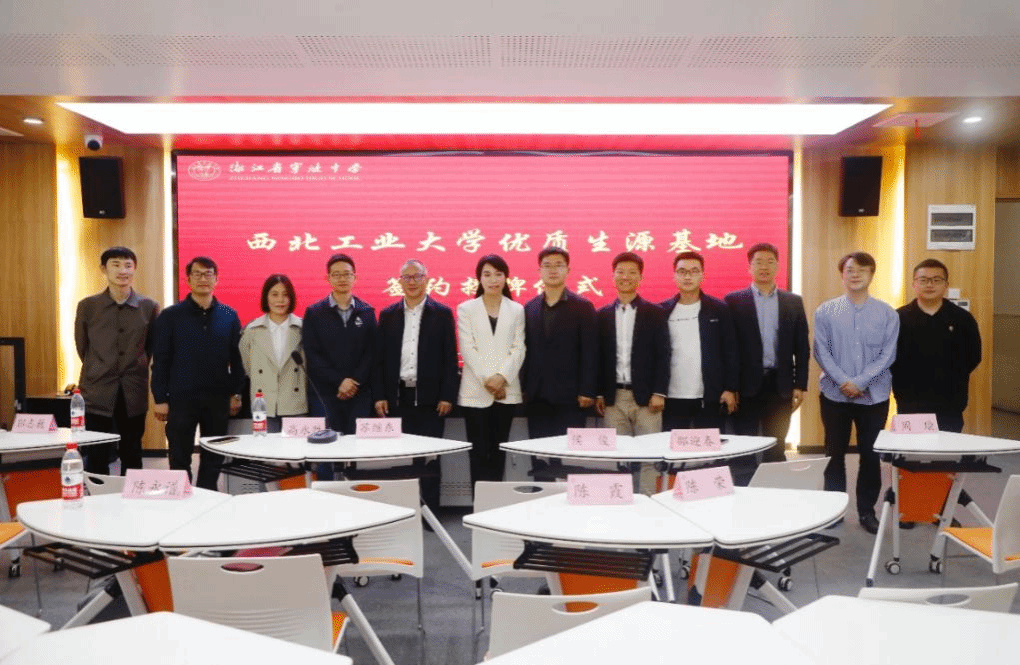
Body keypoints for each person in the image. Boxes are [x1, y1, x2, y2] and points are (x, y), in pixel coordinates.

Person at [814, 251, 898, 534]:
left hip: (874, 397)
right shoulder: (826, 311)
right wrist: (844, 381)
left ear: (872, 274)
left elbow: (888, 354)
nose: (855, 274)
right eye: (850, 269)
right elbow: (821, 351)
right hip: (834, 395)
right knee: (833, 454)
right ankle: (833, 510)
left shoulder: (887, 313)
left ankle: (866, 511)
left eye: (862, 269)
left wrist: (860, 382)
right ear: (842, 274)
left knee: (870, 456)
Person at [151, 256, 243, 490]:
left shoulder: (229, 315)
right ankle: (182, 498)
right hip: (181, 397)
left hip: (217, 397)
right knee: (179, 454)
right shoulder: (170, 316)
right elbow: (160, 359)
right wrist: (160, 398)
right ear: (188, 279)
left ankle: (207, 495)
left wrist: (235, 393)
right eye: (197, 274)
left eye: (208, 274)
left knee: (214, 454)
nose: (203, 279)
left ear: (216, 279)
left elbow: (237, 359)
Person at [374, 259, 459, 509]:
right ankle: (404, 511)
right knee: (402, 457)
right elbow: (379, 360)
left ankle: (431, 511)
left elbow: (449, 358)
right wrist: (380, 395)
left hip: (431, 399)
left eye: (417, 276)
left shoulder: (441, 313)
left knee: (431, 458)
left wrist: (447, 395)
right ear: (399, 282)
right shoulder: (388, 315)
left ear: (427, 279)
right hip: (397, 398)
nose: (412, 282)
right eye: (407, 277)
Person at [74, 246, 160, 475]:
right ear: (103, 269)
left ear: (135, 269)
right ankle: (98, 494)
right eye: (116, 265)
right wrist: (100, 366)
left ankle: (130, 494)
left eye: (128, 265)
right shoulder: (88, 306)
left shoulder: (149, 307)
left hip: (133, 388)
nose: (123, 271)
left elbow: (151, 347)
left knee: (132, 450)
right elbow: (82, 346)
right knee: (97, 451)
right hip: (97, 389)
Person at [725, 242, 810, 462]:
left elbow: (802, 346)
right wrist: (730, 387)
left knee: (776, 446)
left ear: (778, 266)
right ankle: (745, 484)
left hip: (779, 385)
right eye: (759, 262)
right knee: (743, 448)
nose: (764, 267)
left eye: (770, 262)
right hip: (745, 387)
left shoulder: (793, 302)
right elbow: (728, 348)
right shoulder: (734, 301)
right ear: (749, 267)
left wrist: (800, 384)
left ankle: (774, 484)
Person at [457, 255, 526, 487]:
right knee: (477, 453)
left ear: (506, 278)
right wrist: (489, 380)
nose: (493, 280)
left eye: (498, 274)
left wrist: (502, 378)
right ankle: (479, 504)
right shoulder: (466, 309)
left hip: (506, 392)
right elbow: (468, 348)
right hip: (475, 391)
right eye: (487, 274)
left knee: (498, 452)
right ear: (479, 278)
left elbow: (519, 348)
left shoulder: (516, 309)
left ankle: (495, 504)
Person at [892, 258, 981, 433]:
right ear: (914, 284)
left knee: (946, 447)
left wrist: (949, 377)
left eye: (936, 280)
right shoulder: (898, 318)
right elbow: (890, 358)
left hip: (950, 402)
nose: (929, 285)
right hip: (910, 401)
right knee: (912, 447)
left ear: (946, 285)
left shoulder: (962, 318)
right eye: (923, 280)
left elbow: (973, 356)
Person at [522, 247, 598, 440]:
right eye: (547, 266)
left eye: (558, 265)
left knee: (568, 449)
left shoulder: (583, 307)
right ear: (539, 271)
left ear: (568, 270)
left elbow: (590, 351)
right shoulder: (530, 308)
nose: (553, 270)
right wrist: (523, 388)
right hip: (537, 395)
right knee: (538, 450)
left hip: (571, 396)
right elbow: (525, 351)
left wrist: (587, 390)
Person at [303, 253, 377, 447]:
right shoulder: (314, 312)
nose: (342, 278)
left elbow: (371, 352)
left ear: (355, 277)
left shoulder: (367, 312)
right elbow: (312, 353)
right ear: (328, 278)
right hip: (325, 394)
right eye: (336, 274)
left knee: (356, 448)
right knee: (326, 448)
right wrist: (339, 381)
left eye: (346, 274)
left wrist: (354, 381)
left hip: (359, 393)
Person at [660, 251, 739, 431]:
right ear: (674, 276)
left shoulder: (719, 309)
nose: (688, 276)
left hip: (710, 396)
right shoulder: (662, 311)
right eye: (682, 271)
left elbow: (731, 351)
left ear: (703, 275)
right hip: (672, 396)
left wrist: (730, 388)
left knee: (709, 446)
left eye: (694, 271)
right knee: (673, 447)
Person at [595, 252, 669, 436]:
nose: (625, 277)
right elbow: (598, 357)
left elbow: (663, 354)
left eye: (632, 272)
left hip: (647, 397)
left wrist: (659, 392)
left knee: (649, 450)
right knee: (618, 450)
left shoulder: (655, 313)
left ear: (640, 277)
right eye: (620, 272)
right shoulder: (602, 315)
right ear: (613, 276)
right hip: (614, 398)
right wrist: (599, 393)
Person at [239, 274, 307, 433]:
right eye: (275, 294)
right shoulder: (252, 330)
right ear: (266, 297)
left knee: (296, 448)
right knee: (263, 446)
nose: (280, 300)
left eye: (285, 295)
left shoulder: (303, 329)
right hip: (262, 404)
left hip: (295, 403)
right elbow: (247, 367)